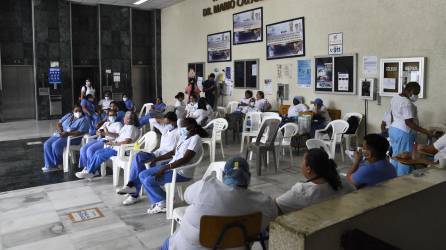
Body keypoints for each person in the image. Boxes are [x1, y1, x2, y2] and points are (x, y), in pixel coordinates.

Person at [161, 156, 278, 250]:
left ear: (223, 175)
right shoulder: (263, 202)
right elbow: (274, 212)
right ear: (249, 178)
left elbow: (186, 196)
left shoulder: (205, 187)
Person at [138, 118, 208, 214]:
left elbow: (185, 159)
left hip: (181, 172)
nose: (181, 128)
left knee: (149, 181)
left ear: (191, 127)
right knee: (142, 174)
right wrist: (156, 159)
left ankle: (163, 203)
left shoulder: (196, 138)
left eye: (183, 126)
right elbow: (172, 153)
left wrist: (164, 168)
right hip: (172, 167)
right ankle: (163, 200)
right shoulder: (183, 137)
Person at [116, 112, 179, 205]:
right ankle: (131, 187)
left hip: (164, 158)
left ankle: (134, 193)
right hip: (156, 154)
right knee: (138, 156)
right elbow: (152, 120)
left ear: (174, 122)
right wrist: (164, 120)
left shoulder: (179, 132)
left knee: (140, 165)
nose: (166, 124)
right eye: (165, 122)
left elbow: (174, 152)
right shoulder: (166, 130)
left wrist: (155, 159)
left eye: (168, 122)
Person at [276, 148, 355, 214]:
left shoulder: (301, 191)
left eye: (302, 162)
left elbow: (274, 208)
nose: (300, 165)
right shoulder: (341, 181)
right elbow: (355, 192)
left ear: (308, 169)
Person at [75, 112, 140, 179]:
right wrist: (107, 134)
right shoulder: (126, 126)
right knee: (97, 152)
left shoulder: (132, 128)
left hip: (122, 150)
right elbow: (118, 135)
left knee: (99, 155)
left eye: (125, 117)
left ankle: (89, 171)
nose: (123, 118)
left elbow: (127, 142)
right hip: (115, 147)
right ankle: (90, 171)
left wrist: (113, 143)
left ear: (129, 120)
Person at [388, 82, 434, 176]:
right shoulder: (406, 103)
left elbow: (393, 115)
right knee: (405, 158)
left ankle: (393, 177)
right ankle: (403, 180)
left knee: (396, 156)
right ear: (409, 91)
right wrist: (426, 132)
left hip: (394, 129)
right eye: (415, 93)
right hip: (404, 133)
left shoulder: (395, 97)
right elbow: (409, 123)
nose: (416, 96)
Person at [42, 105, 90, 172]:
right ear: (73, 111)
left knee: (56, 145)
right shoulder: (68, 115)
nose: (78, 112)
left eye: (80, 111)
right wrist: (61, 130)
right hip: (61, 134)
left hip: (73, 137)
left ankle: (58, 164)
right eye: (76, 111)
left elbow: (81, 132)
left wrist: (68, 134)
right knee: (47, 144)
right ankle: (50, 165)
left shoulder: (84, 119)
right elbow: (59, 123)